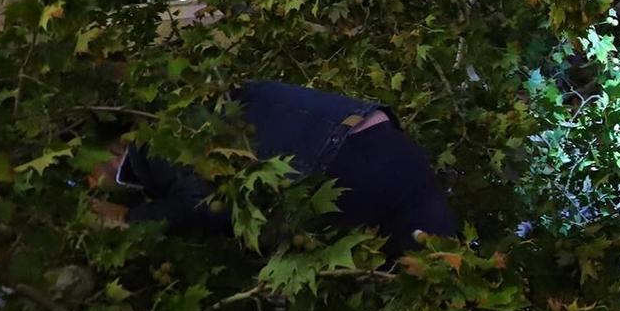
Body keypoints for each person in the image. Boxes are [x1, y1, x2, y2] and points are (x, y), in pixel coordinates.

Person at [93, 81, 456, 259]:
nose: (91, 183)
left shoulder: (158, 140)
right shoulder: (203, 102)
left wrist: (128, 219)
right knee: (446, 274)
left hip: (346, 164)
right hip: (390, 148)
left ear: (113, 150)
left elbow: (202, 202)